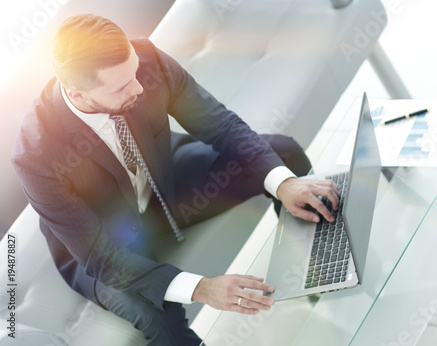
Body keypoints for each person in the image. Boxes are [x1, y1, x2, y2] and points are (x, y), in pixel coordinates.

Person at [11, 14, 338, 345]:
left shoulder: (147, 59)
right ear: (78, 94)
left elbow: (221, 126)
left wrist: (283, 185)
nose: (138, 87)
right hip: (103, 242)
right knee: (160, 319)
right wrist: (201, 287)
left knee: (281, 157)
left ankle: (328, 272)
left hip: (166, 184)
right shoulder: (35, 156)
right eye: (122, 86)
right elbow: (101, 258)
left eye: (134, 72)